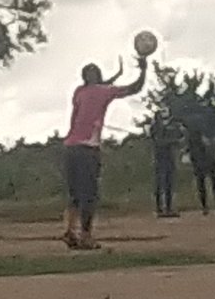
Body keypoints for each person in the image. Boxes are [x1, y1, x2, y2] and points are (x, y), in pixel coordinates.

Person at [62, 57, 149, 249]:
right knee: (89, 195)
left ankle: (70, 230)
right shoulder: (104, 92)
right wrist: (143, 70)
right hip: (88, 148)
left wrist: (111, 78)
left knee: (74, 194)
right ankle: (86, 235)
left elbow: (95, 91)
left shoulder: (79, 92)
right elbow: (134, 88)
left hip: (70, 146)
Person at [187, 126, 215, 215]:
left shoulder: (202, 137)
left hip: (207, 161)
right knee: (205, 184)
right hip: (203, 161)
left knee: (212, 184)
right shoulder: (196, 139)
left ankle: (214, 206)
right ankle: (210, 206)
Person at [150, 111, 181, 218]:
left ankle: (168, 207)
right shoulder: (155, 126)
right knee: (160, 182)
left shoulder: (173, 125)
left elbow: (180, 138)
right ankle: (159, 208)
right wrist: (172, 141)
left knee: (169, 182)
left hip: (170, 156)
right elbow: (158, 141)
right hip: (160, 156)